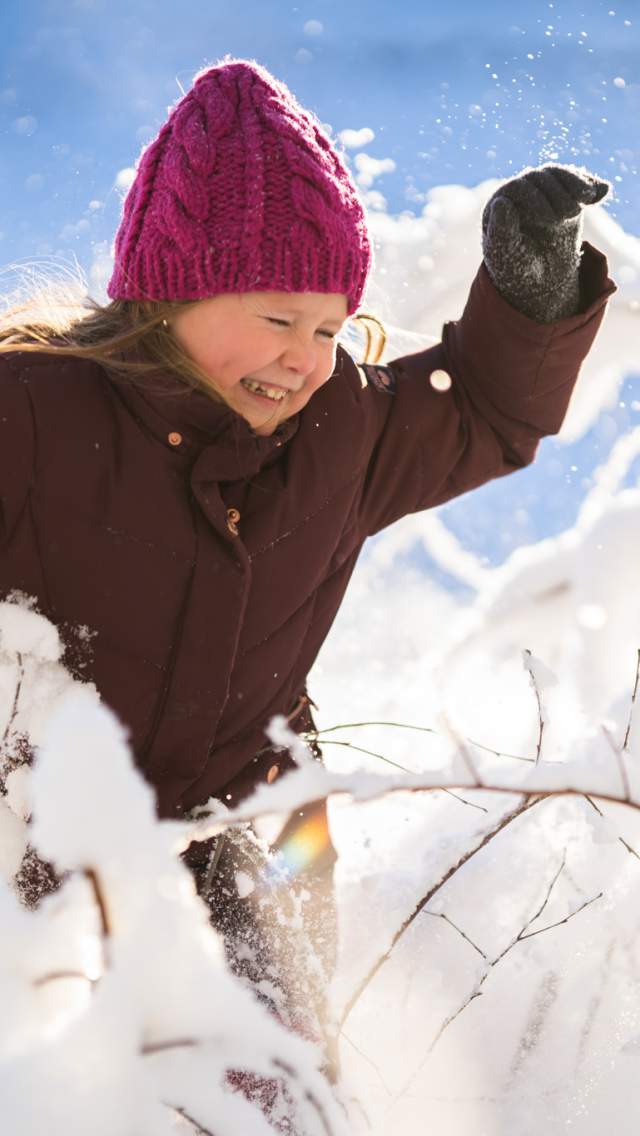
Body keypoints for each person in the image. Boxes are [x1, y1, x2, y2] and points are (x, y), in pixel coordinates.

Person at [0, 55, 615, 1127]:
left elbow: (479, 411)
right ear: (171, 291)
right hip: (45, 827)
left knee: (273, 1087)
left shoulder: (347, 431)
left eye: (330, 328)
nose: (303, 357)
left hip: (264, 826)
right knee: (61, 1081)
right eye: (277, 317)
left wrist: (528, 293)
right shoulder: (37, 414)